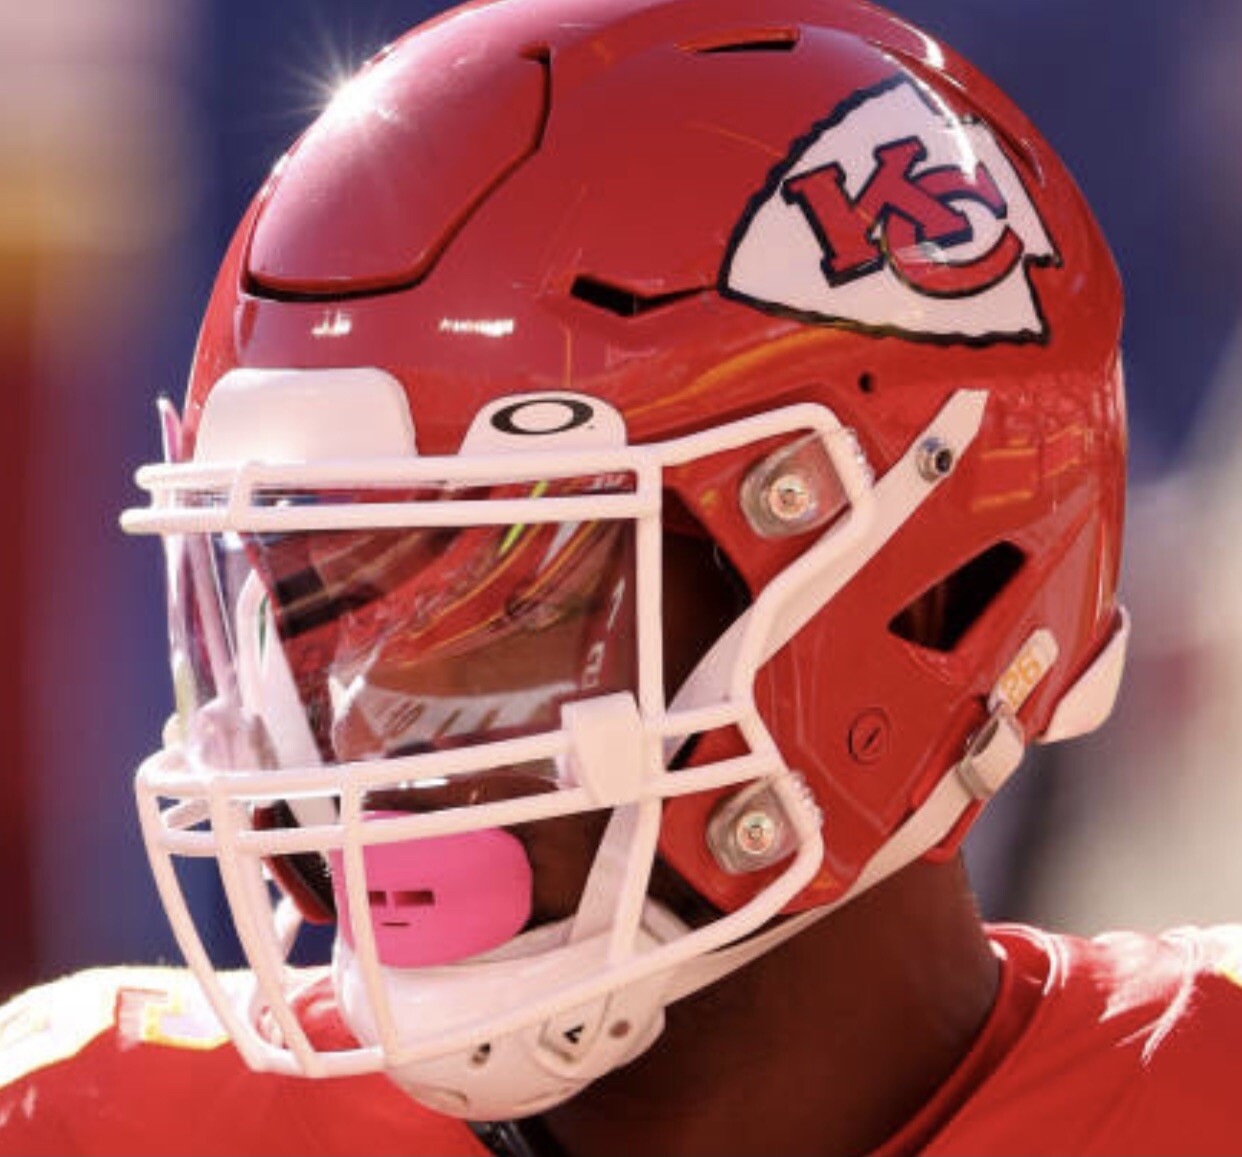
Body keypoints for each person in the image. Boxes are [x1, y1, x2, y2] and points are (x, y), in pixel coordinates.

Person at [2, 0, 1240, 1153]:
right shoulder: (90, 1115)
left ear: (923, 598)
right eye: (311, 597)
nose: (361, 725)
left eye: (506, 592)